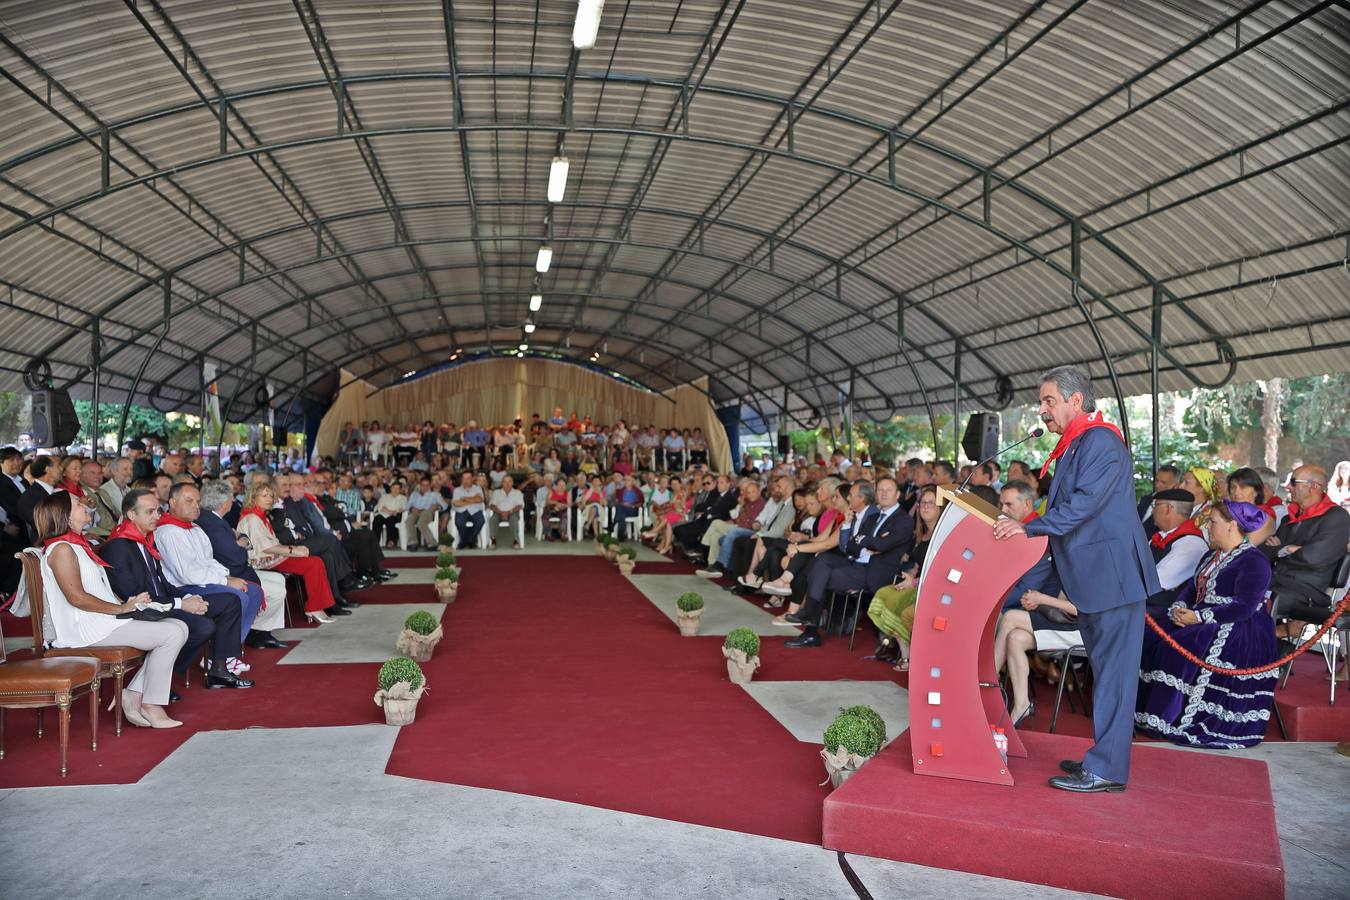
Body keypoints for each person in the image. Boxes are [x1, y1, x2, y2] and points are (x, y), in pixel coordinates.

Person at [992, 365, 1159, 794]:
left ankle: (1106, 768)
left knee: (1116, 677)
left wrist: (1028, 527)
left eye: (1049, 401)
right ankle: (1102, 757)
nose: (1043, 410)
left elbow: (1083, 505)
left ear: (1076, 401)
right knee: (1106, 674)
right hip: (1096, 579)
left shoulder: (1100, 441)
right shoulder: (1076, 443)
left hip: (1113, 579)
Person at [35, 490, 190, 728]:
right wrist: (120, 609)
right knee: (172, 633)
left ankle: (134, 694)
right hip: (82, 628)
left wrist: (127, 604)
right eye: (77, 503)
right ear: (65, 516)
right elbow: (77, 598)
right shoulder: (62, 549)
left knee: (179, 625)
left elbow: (94, 592)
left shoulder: (77, 545)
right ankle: (149, 702)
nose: (84, 505)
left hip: (99, 620)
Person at [1136, 500, 1278, 747]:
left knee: (1181, 643)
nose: (1207, 527)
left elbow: (1244, 607)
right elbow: (1192, 589)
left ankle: (1175, 718)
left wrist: (1200, 617)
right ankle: (1149, 713)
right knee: (1150, 634)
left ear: (1232, 526)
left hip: (1238, 627)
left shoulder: (1254, 561)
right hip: (1202, 616)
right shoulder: (1212, 555)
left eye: (1213, 522)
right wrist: (1179, 608)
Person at [100, 489, 254, 689]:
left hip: (162, 600)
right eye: (150, 512)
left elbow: (163, 584)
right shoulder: (119, 546)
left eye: (158, 510)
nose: (157, 515)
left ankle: (219, 670)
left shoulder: (145, 540)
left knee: (229, 601)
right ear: (131, 515)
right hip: (144, 610)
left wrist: (191, 598)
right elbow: (136, 597)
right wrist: (182, 604)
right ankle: (160, 679)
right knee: (203, 626)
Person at [786, 477, 914, 648]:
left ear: (898, 494)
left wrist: (866, 540)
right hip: (857, 564)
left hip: (875, 571)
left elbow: (883, 545)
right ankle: (810, 618)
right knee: (822, 560)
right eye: (880, 490)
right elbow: (852, 545)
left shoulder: (903, 520)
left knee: (818, 576)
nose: (883, 493)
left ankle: (810, 626)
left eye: (888, 490)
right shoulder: (874, 517)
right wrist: (867, 544)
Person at [154, 482, 264, 673]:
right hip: (184, 588)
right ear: (172, 502)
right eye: (189, 500)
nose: (196, 505)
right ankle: (218, 657)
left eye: (197, 501)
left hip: (202, 581)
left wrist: (227, 575)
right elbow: (187, 574)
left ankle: (228, 652)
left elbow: (209, 560)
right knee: (239, 596)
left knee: (253, 591)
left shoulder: (195, 528)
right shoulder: (169, 531)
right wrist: (226, 581)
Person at [1261, 464, 1350, 646]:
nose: (1287, 487)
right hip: (1276, 582)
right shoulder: (1289, 518)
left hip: (1305, 590)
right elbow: (1264, 551)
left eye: (1293, 482)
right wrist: (1287, 549)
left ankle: (1258, 644)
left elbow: (1313, 558)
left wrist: (1281, 550)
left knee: (1251, 600)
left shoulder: (1336, 517)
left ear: (1313, 486)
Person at [197, 480, 287, 649]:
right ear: (224, 503)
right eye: (231, 498)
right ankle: (253, 630)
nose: (233, 501)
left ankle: (262, 630)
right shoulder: (212, 523)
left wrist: (240, 543)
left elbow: (244, 541)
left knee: (279, 579)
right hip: (231, 573)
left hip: (236, 570)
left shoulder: (216, 519)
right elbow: (236, 557)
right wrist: (240, 545)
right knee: (277, 591)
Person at [237, 480, 342, 624]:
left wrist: (293, 551)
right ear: (253, 499)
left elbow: (271, 544)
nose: (269, 499)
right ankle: (314, 607)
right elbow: (266, 547)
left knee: (314, 561)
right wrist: (293, 550)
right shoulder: (252, 518)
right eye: (264, 496)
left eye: (270, 495)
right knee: (312, 563)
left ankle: (316, 607)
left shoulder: (260, 516)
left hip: (272, 556)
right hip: (262, 560)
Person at [487, 475, 524, 549]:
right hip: (498, 512)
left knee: (514, 519)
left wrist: (509, 512)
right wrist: (501, 512)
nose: (507, 484)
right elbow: (492, 505)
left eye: (509, 481)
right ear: (502, 483)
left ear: (512, 483)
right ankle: (493, 540)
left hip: (513, 512)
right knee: (492, 519)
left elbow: (519, 506)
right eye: (505, 481)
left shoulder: (518, 492)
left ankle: (515, 540)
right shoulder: (496, 492)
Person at [451, 471, 486, 549]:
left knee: (480, 521)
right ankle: (469, 541)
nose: (466, 481)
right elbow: (456, 503)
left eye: (468, 478)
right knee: (459, 522)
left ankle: (466, 541)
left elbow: (480, 499)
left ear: (472, 479)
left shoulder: (478, 488)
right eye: (464, 478)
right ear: (461, 479)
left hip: (475, 510)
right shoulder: (457, 490)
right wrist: (473, 499)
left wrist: (464, 499)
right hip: (461, 511)